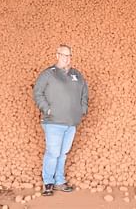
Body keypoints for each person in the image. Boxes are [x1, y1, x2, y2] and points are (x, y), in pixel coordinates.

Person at [33, 44, 89, 196]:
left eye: (69, 55)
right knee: (53, 152)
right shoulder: (48, 74)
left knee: (63, 153)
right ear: (57, 55)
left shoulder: (77, 75)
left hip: (71, 122)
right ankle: (48, 182)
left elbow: (84, 92)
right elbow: (37, 93)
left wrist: (82, 109)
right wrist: (47, 109)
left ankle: (59, 181)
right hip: (53, 122)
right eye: (64, 55)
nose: (67, 58)